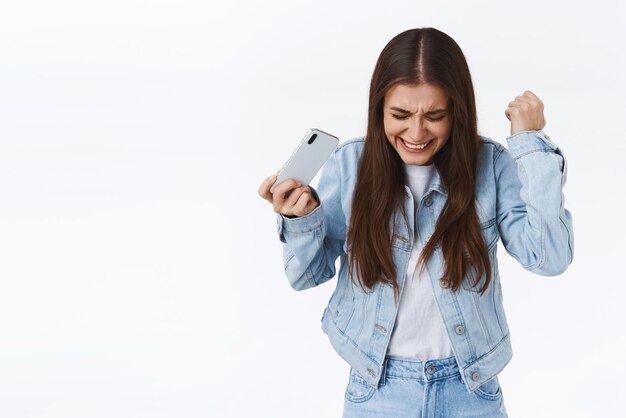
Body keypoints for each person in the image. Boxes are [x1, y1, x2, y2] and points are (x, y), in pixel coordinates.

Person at [258, 27, 573, 418]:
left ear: (457, 112)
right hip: (377, 390)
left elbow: (550, 257)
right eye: (401, 115)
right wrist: (300, 219)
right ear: (379, 111)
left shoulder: (490, 166)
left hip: (471, 391)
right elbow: (306, 275)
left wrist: (530, 145)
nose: (417, 133)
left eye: (435, 116)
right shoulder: (350, 165)